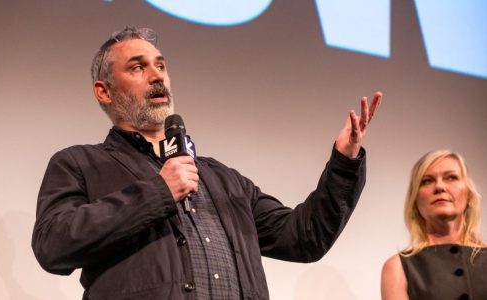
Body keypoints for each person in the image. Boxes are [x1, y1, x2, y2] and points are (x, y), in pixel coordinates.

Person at [32, 26, 382, 300]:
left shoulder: (222, 178)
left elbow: (304, 238)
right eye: (138, 67)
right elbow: (52, 246)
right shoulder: (79, 164)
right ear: (104, 91)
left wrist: (344, 161)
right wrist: (157, 193)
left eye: (161, 66)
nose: (157, 76)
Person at [381, 150, 486, 300]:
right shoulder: (398, 268)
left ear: (468, 194)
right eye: (427, 181)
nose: (440, 187)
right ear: (415, 200)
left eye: (451, 177)